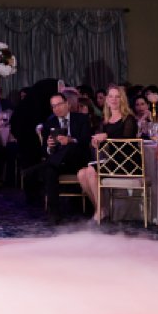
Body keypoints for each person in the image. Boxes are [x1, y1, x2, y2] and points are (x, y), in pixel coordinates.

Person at [22, 91, 92, 221]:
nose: (56, 109)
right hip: (59, 163)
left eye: (59, 105)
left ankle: (39, 167)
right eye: (53, 106)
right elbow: (45, 151)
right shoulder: (49, 123)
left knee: (70, 147)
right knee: (50, 171)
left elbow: (86, 140)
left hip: (78, 161)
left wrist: (70, 140)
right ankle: (54, 213)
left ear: (67, 104)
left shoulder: (81, 119)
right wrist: (49, 146)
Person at [77, 85, 138, 222]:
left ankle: (100, 212)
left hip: (126, 162)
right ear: (107, 100)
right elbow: (103, 142)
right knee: (81, 174)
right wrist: (96, 142)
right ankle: (101, 208)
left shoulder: (128, 118)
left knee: (92, 170)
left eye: (117, 96)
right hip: (111, 161)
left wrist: (106, 136)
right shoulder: (105, 120)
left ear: (122, 99)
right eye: (111, 96)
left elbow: (126, 142)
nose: (114, 99)